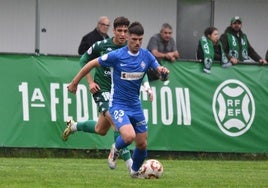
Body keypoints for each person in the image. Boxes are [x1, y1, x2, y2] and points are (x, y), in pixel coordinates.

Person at [67, 22, 169, 178]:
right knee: (128, 136)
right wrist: (75, 82)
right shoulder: (116, 55)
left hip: (135, 105)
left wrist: (163, 73)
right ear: (128, 37)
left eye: (140, 39)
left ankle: (135, 172)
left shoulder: (146, 55)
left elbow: (159, 72)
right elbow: (90, 63)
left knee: (141, 144)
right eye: (134, 39)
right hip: (117, 104)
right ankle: (116, 149)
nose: (137, 43)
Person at [63, 16, 134, 172]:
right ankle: (131, 165)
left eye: (125, 31)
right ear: (114, 31)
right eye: (120, 30)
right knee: (118, 123)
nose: (123, 34)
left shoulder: (130, 50)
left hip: (118, 94)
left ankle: (74, 126)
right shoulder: (102, 45)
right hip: (101, 90)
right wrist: (90, 82)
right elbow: (84, 60)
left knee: (100, 130)